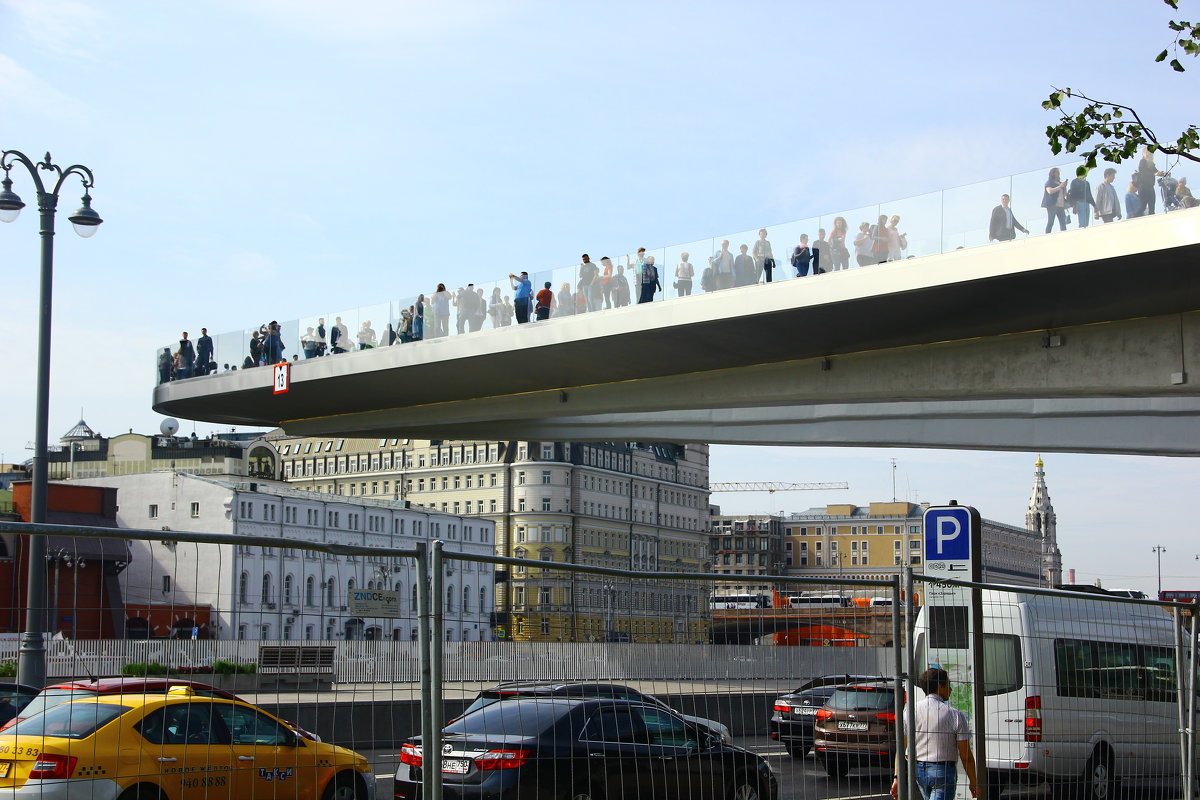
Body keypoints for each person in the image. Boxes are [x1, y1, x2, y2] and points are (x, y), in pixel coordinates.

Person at [890, 667, 978, 800]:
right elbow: (966, 756)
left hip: (918, 770)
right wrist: (974, 781)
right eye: (948, 684)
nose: (951, 689)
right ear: (939, 686)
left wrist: (897, 777)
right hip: (943, 770)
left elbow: (901, 748)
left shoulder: (910, 711)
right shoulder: (955, 715)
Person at [1135, 147, 1161, 216]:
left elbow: (1156, 171)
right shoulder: (1143, 161)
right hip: (1143, 188)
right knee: (1143, 206)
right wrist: (1154, 174)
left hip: (1150, 187)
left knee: (1152, 207)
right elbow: (1143, 174)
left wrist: (1162, 174)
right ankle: (1133, 218)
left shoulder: (1151, 163)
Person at [1042, 167, 1069, 233]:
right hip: (1052, 205)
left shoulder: (1060, 182)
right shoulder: (1049, 182)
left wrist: (1064, 187)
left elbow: (1064, 195)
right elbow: (1050, 191)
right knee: (1051, 221)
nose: (1058, 174)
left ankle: (1064, 234)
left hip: (1061, 205)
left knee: (1063, 222)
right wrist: (1060, 186)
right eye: (1057, 172)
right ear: (1053, 173)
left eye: (1058, 172)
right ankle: (1047, 235)